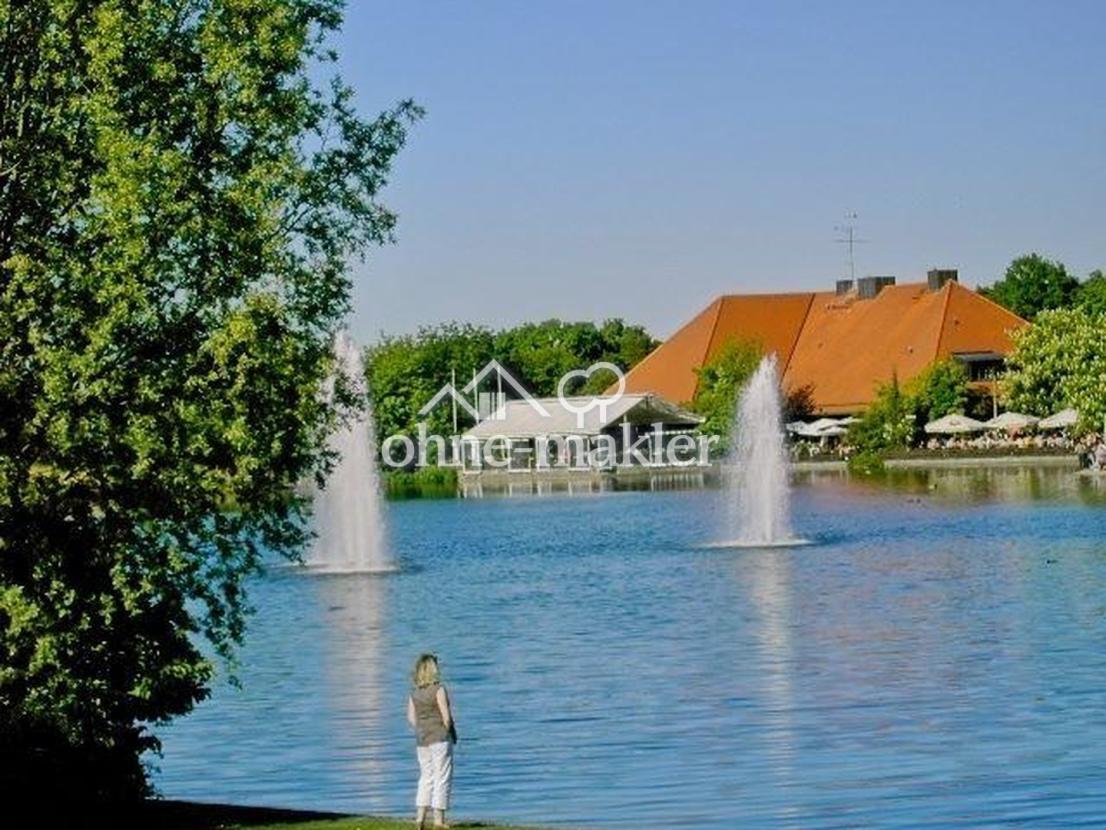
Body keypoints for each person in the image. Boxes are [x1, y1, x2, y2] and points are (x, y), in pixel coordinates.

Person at [407, 653, 456, 829]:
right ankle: (438, 820)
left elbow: (411, 718)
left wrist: (422, 728)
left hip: (422, 739)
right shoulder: (439, 689)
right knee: (441, 777)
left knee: (426, 777)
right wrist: (448, 732)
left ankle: (419, 819)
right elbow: (447, 717)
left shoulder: (414, 693)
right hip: (440, 738)